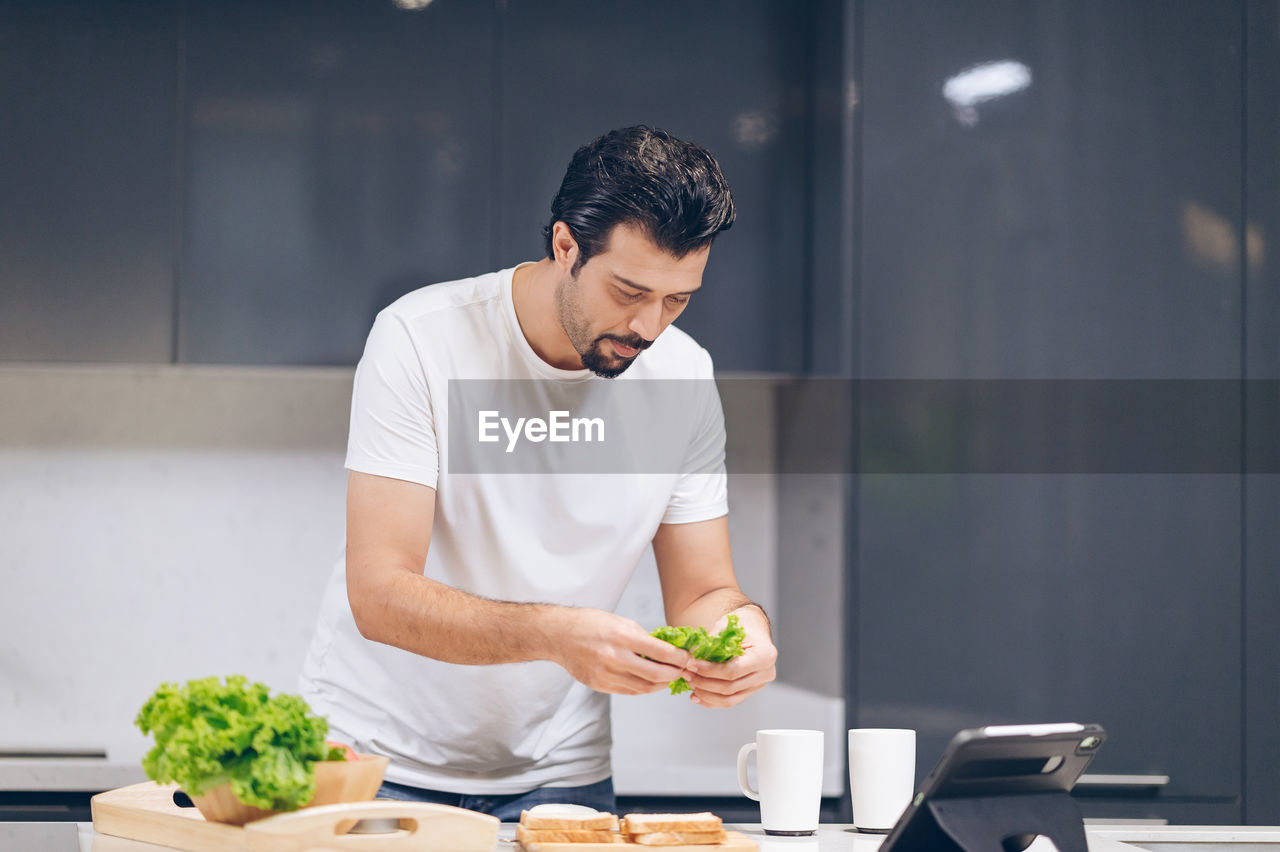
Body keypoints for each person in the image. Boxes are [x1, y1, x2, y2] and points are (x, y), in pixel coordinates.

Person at [299, 125, 777, 820]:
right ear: (564, 247)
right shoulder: (422, 338)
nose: (648, 327)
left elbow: (705, 590)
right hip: (377, 762)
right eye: (628, 290)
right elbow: (379, 593)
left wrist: (744, 632)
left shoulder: (683, 375)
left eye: (677, 300)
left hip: (562, 775)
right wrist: (557, 633)